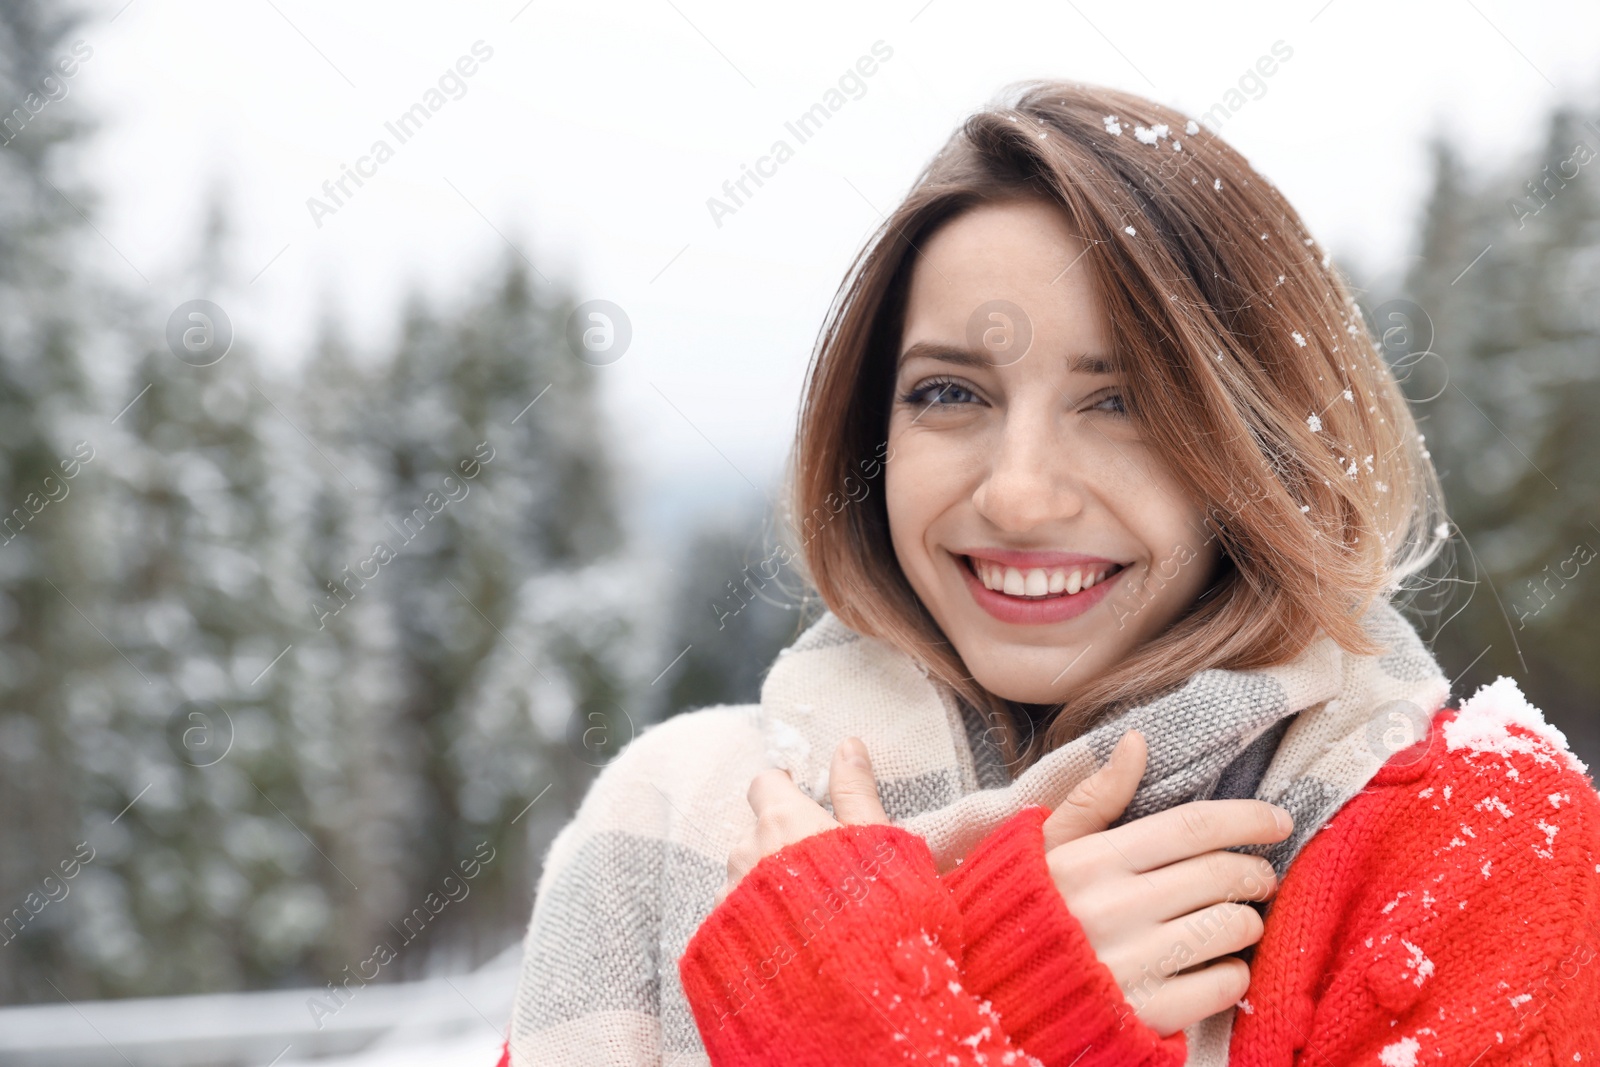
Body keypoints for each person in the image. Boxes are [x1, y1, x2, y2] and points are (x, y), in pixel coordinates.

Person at [498, 81, 1600, 1066]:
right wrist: (1004, 997)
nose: (1019, 494)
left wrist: (870, 1022)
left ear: (1257, 445)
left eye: (1118, 401)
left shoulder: (1466, 840)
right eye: (949, 393)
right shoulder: (677, 816)